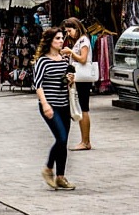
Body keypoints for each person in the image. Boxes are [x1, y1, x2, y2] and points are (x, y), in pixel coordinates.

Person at [33, 27, 75, 190]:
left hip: (64, 104)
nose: (61, 41)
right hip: (50, 105)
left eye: (61, 38)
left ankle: (61, 177)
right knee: (61, 138)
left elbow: (64, 82)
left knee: (63, 142)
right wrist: (45, 104)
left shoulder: (64, 60)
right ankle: (48, 169)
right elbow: (38, 84)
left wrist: (70, 80)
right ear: (50, 41)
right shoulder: (42, 61)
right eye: (57, 38)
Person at [62, 17, 93, 151]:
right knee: (81, 108)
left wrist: (70, 52)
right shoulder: (79, 41)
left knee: (83, 108)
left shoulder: (83, 40)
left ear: (76, 28)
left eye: (70, 31)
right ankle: (84, 140)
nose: (68, 34)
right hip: (79, 78)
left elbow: (83, 59)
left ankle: (85, 142)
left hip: (83, 79)